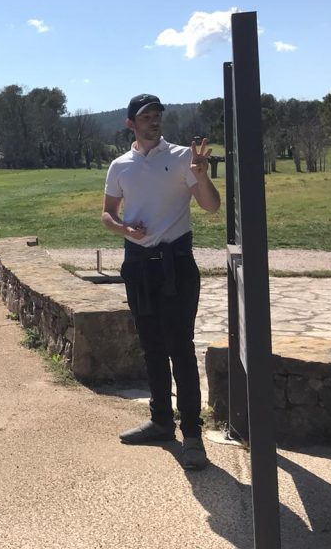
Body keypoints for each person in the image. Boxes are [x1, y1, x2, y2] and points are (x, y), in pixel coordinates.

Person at [101, 94, 220, 471]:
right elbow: (107, 213)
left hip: (177, 264)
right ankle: (160, 421)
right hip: (138, 265)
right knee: (151, 346)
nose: (154, 121)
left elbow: (211, 206)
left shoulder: (186, 156)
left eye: (158, 115)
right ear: (130, 123)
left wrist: (201, 176)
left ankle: (193, 435)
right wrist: (123, 230)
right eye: (146, 116)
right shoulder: (120, 165)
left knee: (180, 348)